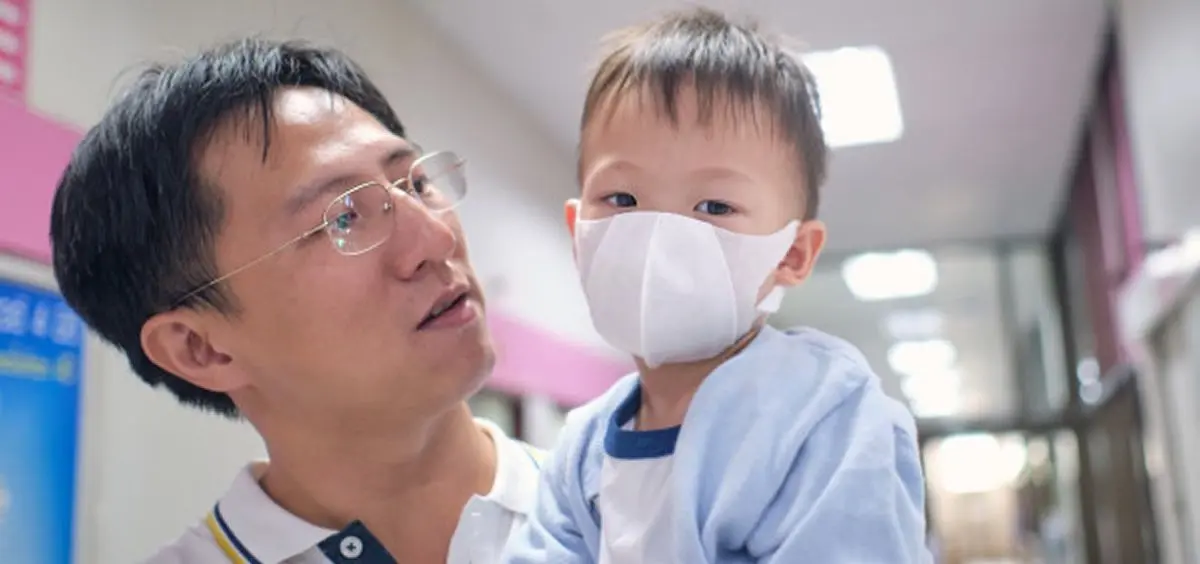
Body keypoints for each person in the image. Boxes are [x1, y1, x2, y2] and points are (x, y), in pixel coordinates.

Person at [50, 38, 542, 563]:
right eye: (344, 218)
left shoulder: (615, 503)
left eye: (416, 183)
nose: (436, 239)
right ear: (200, 347)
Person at [502, 8, 931, 563]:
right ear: (577, 232)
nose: (658, 234)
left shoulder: (825, 418)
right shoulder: (581, 449)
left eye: (714, 206)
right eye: (622, 200)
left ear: (792, 254)